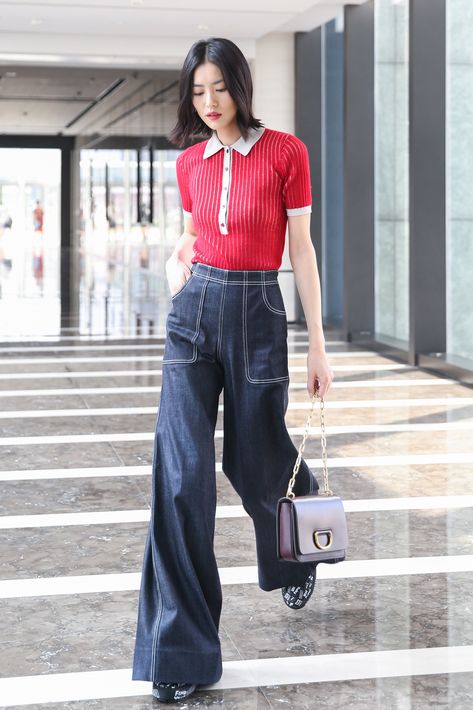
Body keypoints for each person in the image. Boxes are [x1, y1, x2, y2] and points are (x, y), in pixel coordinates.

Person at [131, 37, 334, 704]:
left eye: (218, 88)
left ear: (239, 87)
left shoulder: (284, 153)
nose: (208, 102)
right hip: (192, 315)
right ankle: (182, 652)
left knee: (255, 463)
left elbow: (300, 250)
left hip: (256, 310)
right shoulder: (190, 161)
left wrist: (316, 346)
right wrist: (175, 269)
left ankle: (294, 542)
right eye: (197, 91)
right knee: (181, 474)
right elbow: (190, 236)